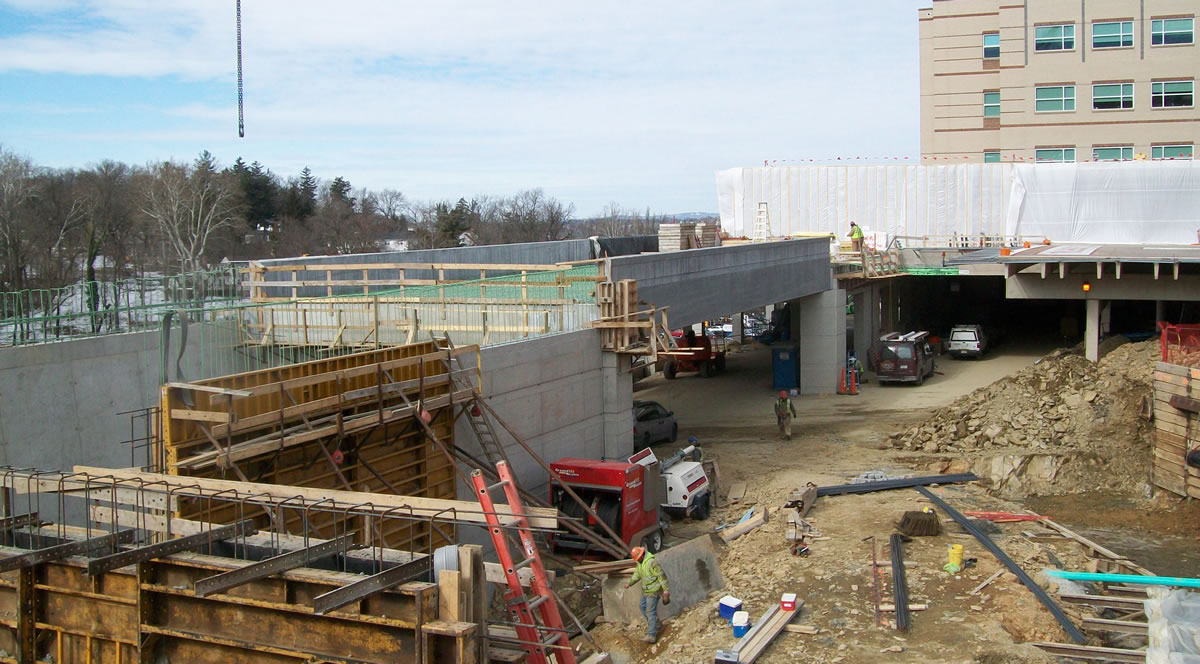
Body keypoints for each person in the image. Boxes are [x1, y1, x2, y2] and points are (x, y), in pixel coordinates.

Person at [625, 546, 670, 643]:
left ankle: (651, 635)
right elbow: (637, 574)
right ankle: (656, 625)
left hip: (654, 590)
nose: (638, 560)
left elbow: (661, 575)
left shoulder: (651, 562)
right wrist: (630, 583)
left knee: (650, 612)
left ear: (641, 555)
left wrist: (666, 590)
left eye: (638, 558)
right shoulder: (640, 563)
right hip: (646, 591)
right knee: (642, 606)